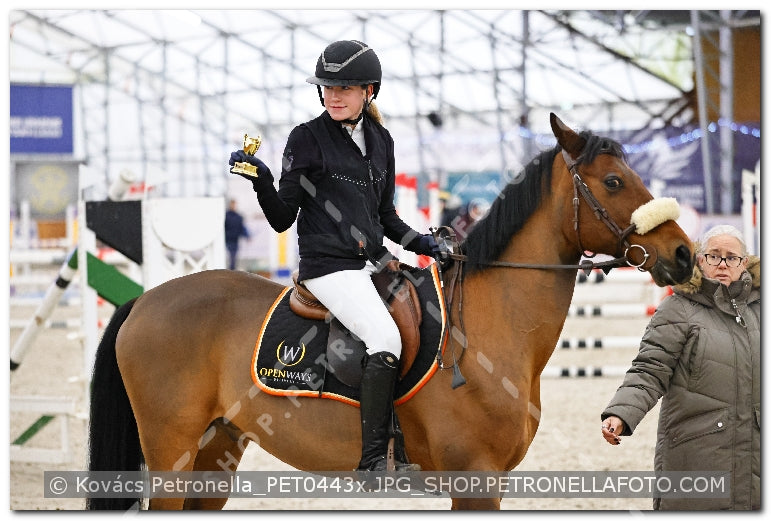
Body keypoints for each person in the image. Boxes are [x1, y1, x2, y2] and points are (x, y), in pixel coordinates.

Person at [228, 40, 439, 473]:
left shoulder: (381, 140)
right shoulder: (306, 138)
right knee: (385, 339)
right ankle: (374, 458)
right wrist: (262, 180)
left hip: (375, 263)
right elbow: (282, 218)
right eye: (326, 87)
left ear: (368, 91)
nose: (333, 95)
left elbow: (385, 216)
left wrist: (424, 243)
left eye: (344, 88)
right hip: (329, 268)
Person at [600, 224, 760, 510]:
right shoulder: (677, 309)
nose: (723, 264)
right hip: (697, 453)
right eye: (714, 256)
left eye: (731, 257)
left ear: (744, 263)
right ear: (700, 259)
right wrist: (622, 412)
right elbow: (650, 369)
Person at [224, 199, 250, 270]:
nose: (233, 206)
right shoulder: (225, 216)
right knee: (227, 256)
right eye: (232, 204)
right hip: (226, 240)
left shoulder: (239, 217)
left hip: (235, 240)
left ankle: (232, 270)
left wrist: (247, 236)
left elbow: (242, 228)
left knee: (233, 257)